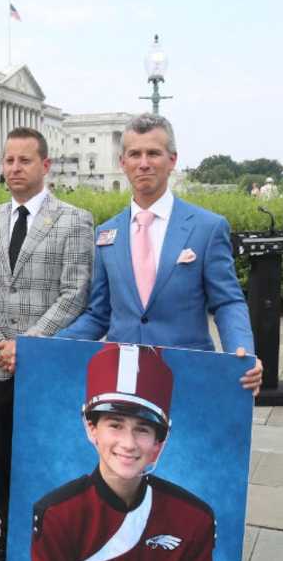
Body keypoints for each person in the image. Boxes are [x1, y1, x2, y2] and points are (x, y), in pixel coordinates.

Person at [0, 127, 94, 561]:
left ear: (45, 166)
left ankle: (56, 543)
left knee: (50, 455)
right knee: (3, 461)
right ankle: (9, 535)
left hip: (47, 367)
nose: (14, 168)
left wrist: (29, 345)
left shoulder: (75, 220)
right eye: (8, 160)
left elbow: (75, 293)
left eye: (24, 160)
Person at [56, 113, 263, 395]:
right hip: (121, 377)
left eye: (153, 153)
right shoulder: (106, 232)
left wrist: (242, 351)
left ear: (172, 160)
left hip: (187, 374)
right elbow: (98, 315)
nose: (144, 163)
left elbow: (227, 302)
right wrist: (51, 344)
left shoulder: (207, 227)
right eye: (135, 154)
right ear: (123, 163)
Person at [32, 343, 214, 561]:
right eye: (115, 425)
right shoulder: (57, 515)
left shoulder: (194, 520)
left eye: (142, 429)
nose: (128, 443)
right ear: (91, 429)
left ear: (158, 444)